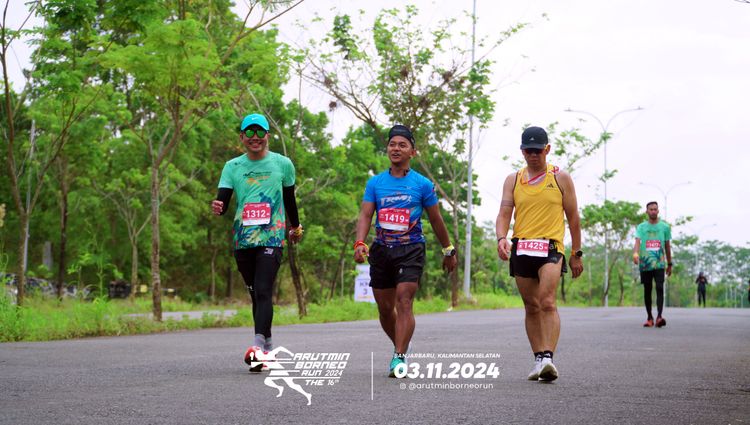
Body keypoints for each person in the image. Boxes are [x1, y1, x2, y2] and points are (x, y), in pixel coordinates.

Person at [353, 124, 458, 378]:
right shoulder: (375, 183)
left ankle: (399, 356)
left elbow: (436, 219)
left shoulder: (422, 184)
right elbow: (366, 214)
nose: (396, 149)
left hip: (411, 249)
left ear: (413, 151)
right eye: (392, 144)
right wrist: (360, 242)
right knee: (385, 308)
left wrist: (448, 249)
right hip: (381, 250)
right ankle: (402, 344)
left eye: (402, 145)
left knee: (404, 300)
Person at [211, 113, 303, 372]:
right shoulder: (232, 166)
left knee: (263, 289)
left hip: (272, 237)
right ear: (242, 137)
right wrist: (218, 207)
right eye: (249, 133)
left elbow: (289, 199)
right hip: (243, 239)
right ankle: (268, 351)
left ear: (267, 136)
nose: (255, 137)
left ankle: (257, 347)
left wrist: (295, 227)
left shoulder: (282, 164)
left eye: (259, 132)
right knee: (256, 294)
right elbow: (223, 202)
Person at [496, 126, 584, 382]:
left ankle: (548, 358)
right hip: (522, 247)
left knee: (547, 301)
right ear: (522, 151)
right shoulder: (513, 180)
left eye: (538, 151)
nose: (533, 156)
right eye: (528, 151)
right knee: (531, 305)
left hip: (551, 248)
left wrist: (576, 252)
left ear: (547, 149)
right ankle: (538, 359)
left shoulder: (560, 178)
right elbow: (504, 214)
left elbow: (573, 218)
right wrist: (501, 238)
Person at [633, 201, 672, 328]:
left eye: (655, 209)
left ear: (658, 211)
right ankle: (649, 317)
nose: (653, 211)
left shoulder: (665, 227)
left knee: (660, 287)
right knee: (647, 289)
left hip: (659, 263)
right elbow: (637, 241)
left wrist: (670, 263)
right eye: (651, 209)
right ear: (647, 211)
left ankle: (659, 317)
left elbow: (667, 246)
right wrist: (635, 253)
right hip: (645, 263)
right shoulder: (641, 227)